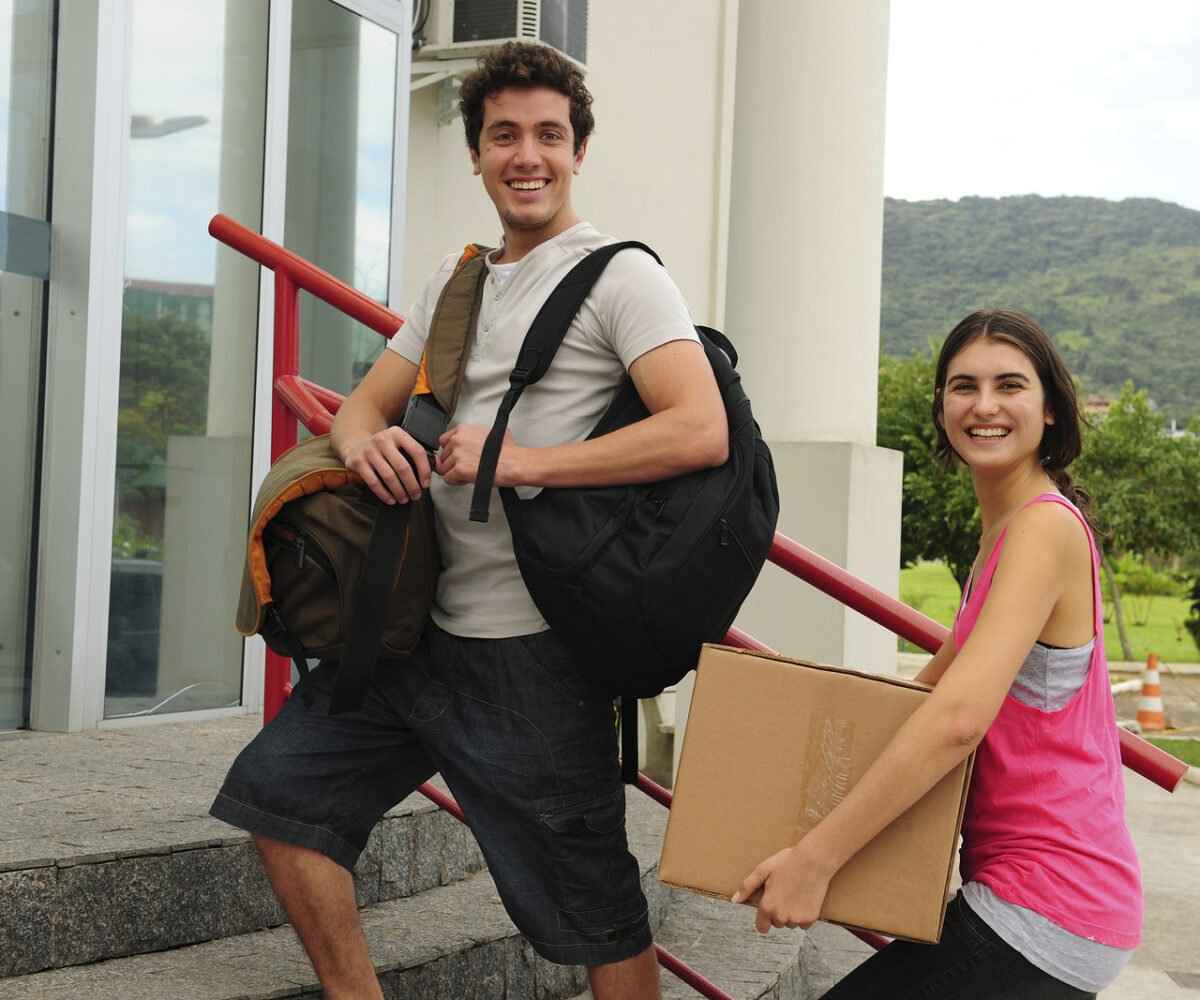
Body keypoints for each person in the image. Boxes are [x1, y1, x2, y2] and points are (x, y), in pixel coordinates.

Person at [209, 41, 727, 1000]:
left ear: (577, 153)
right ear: (478, 154)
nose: (526, 155)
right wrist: (365, 441)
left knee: (599, 922)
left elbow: (699, 429)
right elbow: (365, 404)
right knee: (279, 804)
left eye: (548, 136)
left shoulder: (622, 278)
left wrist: (521, 460)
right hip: (406, 637)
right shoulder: (460, 280)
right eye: (504, 136)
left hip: (530, 656)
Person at [733, 310, 1142, 998]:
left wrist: (817, 856)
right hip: (1033, 897)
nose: (983, 406)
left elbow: (956, 719)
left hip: (1048, 902)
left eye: (1009, 385)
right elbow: (920, 697)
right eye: (963, 386)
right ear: (942, 408)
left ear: (1050, 411)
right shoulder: (1006, 533)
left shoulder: (1043, 529)